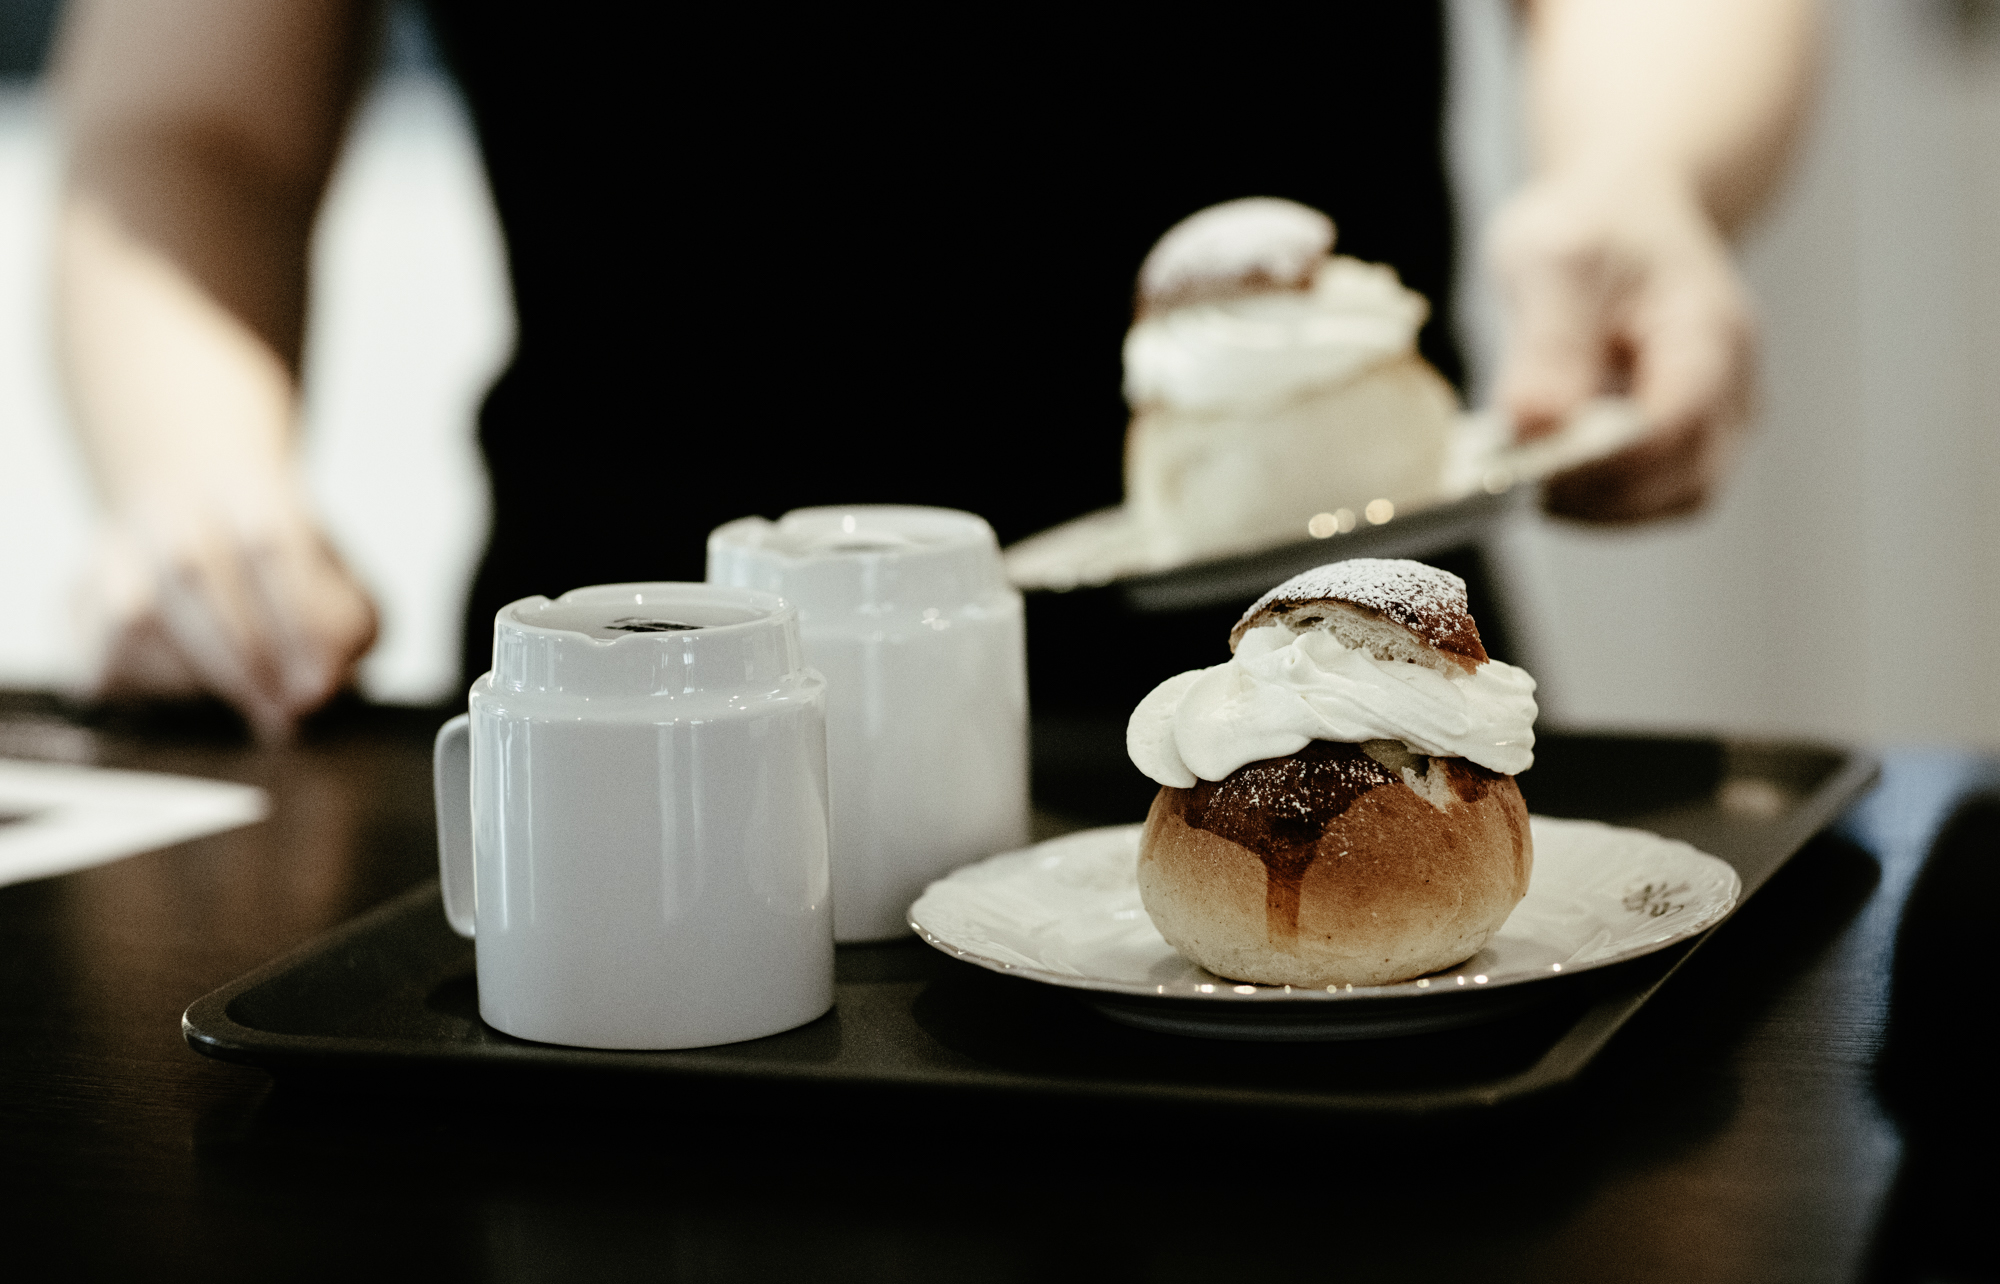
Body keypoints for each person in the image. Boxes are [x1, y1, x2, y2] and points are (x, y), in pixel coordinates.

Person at [50, 0, 1817, 741]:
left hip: (1319, 654)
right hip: (650, 690)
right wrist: (196, 469)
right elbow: (187, 120)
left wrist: (1634, 175)